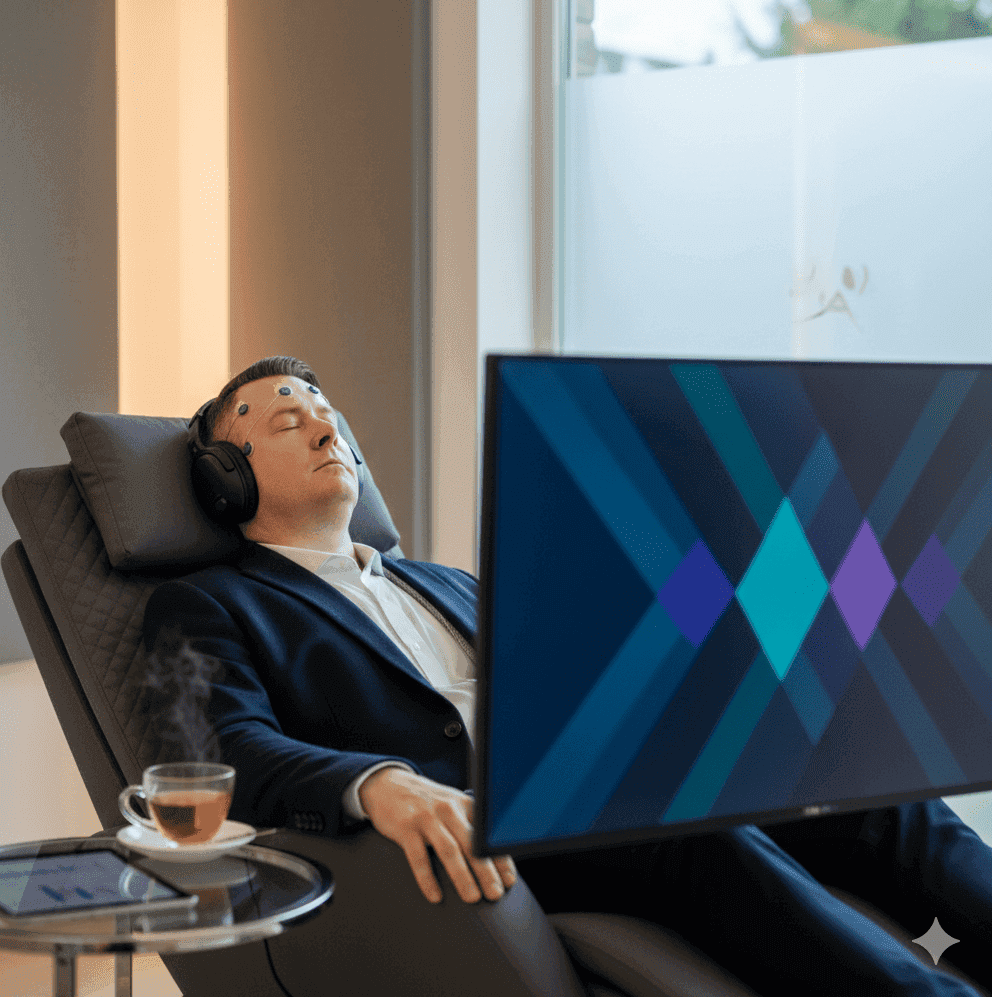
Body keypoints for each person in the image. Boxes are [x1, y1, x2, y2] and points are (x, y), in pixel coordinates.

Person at [144, 356, 992, 997]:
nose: (329, 431)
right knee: (690, 829)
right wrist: (380, 784)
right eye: (289, 423)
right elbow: (226, 755)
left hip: (592, 771)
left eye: (329, 415)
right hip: (495, 821)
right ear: (230, 478)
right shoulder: (210, 604)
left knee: (859, 780)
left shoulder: (447, 582)